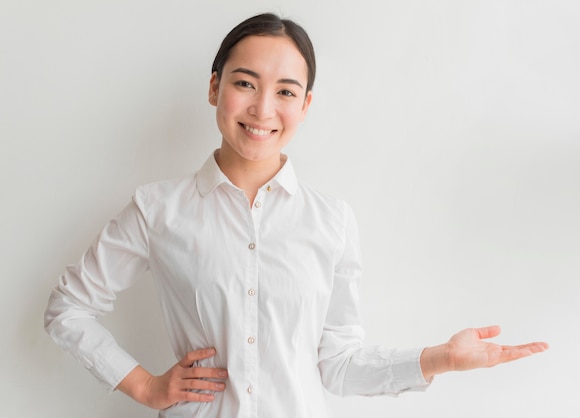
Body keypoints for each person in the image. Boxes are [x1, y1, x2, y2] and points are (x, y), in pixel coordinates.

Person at [44, 12, 548, 418]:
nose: (263, 108)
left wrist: (440, 359)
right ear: (214, 88)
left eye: (285, 91)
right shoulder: (157, 210)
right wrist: (146, 386)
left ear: (305, 105)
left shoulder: (331, 219)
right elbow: (68, 308)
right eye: (246, 83)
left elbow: (339, 366)